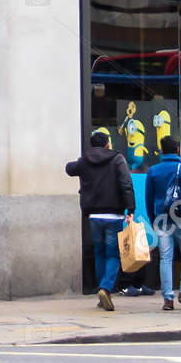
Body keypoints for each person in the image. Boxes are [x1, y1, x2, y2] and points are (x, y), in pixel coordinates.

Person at [65, 128, 135, 312]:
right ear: (107, 144)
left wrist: (80, 164)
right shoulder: (117, 158)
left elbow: (69, 169)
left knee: (99, 254)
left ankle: (102, 292)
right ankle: (105, 288)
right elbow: (126, 183)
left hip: (94, 215)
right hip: (114, 215)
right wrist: (131, 208)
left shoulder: (86, 159)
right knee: (113, 255)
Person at [144, 136, 181, 311]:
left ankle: (168, 299)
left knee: (165, 257)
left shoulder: (153, 171)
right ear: (177, 150)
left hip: (162, 220)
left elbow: (149, 198)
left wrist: (152, 219)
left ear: (161, 151)